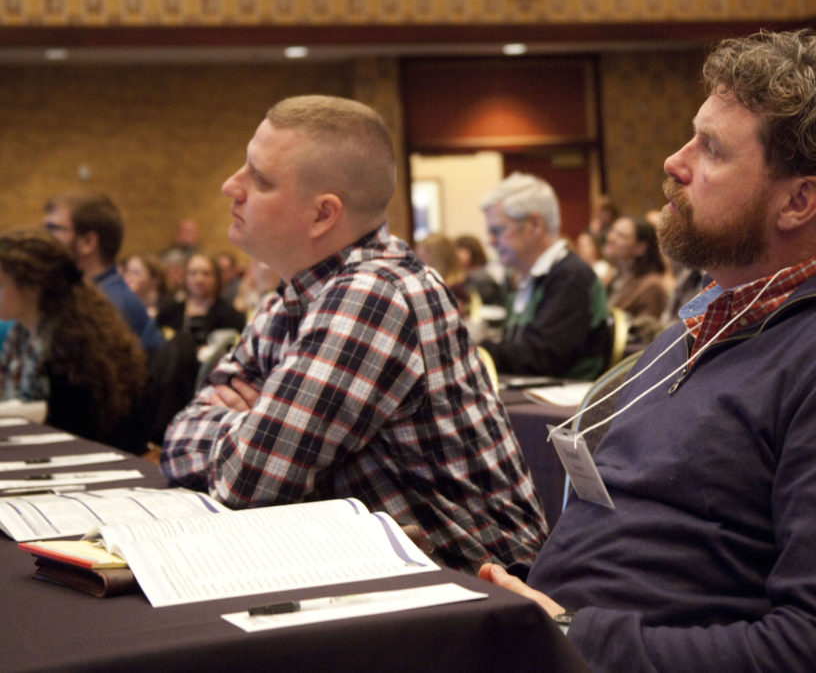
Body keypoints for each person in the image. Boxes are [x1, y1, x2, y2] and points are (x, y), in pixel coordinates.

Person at [479, 29, 816, 671]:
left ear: (798, 201)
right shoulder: (702, 326)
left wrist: (572, 635)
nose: (674, 162)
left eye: (711, 149)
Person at [160, 95, 547, 572]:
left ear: (324, 214)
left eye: (259, 179)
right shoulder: (291, 297)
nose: (230, 186)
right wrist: (260, 429)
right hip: (385, 576)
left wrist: (257, 424)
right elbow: (178, 436)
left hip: (485, 593)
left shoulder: (375, 294)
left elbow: (247, 482)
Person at [0, 230, 146, 453]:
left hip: (90, 458)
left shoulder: (70, 342)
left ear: (31, 287)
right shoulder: (19, 334)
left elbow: (71, 428)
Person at [479, 172, 610, 380]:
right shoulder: (529, 277)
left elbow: (539, 359)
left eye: (498, 230)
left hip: (567, 407)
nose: (490, 241)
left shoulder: (571, 277)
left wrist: (475, 351)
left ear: (534, 225)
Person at [42, 193, 163, 352]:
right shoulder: (87, 292)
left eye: (53, 229)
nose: (43, 237)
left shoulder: (105, 307)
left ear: (88, 242)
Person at [156, 252, 247, 346]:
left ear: (216, 278)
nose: (199, 279)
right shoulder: (169, 311)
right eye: (193, 273)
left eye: (206, 274)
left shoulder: (230, 315)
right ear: (185, 277)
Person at [603, 215, 671, 320]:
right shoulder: (615, 275)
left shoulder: (652, 287)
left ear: (640, 248)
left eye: (621, 236)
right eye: (612, 231)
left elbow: (644, 332)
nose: (611, 238)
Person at [454, 234, 504, 306]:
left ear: (472, 251)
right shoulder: (466, 275)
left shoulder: (479, 276)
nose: (455, 255)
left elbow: (473, 303)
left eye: (460, 250)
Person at [121, 252, 168, 319]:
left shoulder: (169, 307)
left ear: (155, 280)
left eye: (135, 273)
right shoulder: (124, 303)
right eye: (126, 271)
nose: (127, 278)